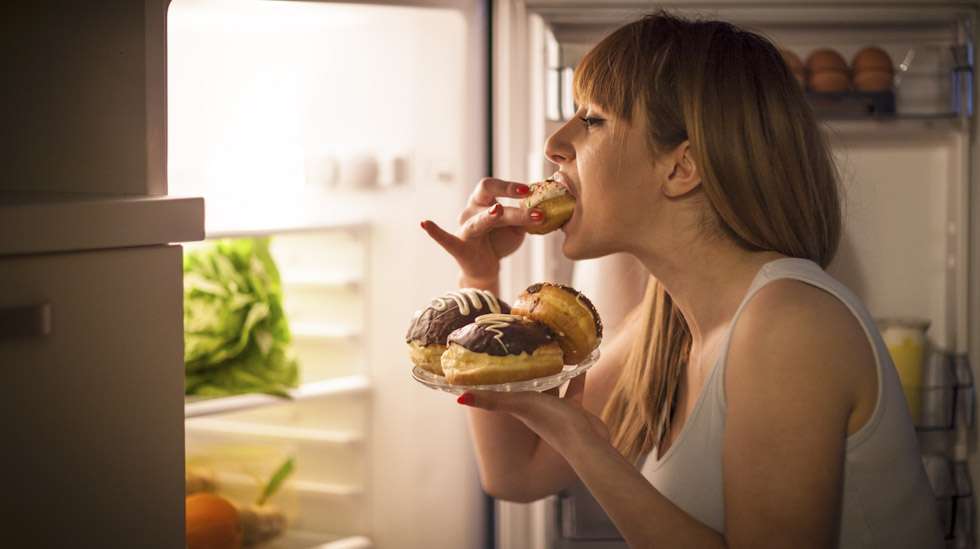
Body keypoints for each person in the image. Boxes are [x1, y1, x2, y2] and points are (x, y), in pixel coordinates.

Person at [420, 11, 944, 548]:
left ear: (681, 167)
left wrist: (588, 446)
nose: (557, 142)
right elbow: (516, 475)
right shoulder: (666, 322)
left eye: (593, 119)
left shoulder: (789, 324)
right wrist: (479, 274)